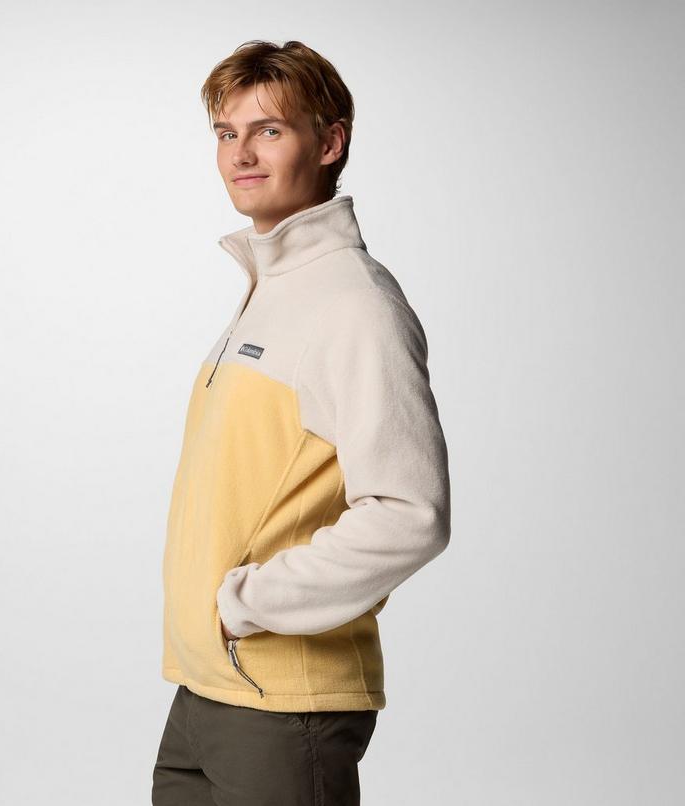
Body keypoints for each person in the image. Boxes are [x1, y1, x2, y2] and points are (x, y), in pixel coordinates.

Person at [152, 39, 451, 806]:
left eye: (269, 130)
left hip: (285, 704)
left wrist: (244, 606)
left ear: (329, 142)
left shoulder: (355, 304)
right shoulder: (270, 291)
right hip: (207, 690)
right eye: (227, 133)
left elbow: (409, 514)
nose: (240, 154)